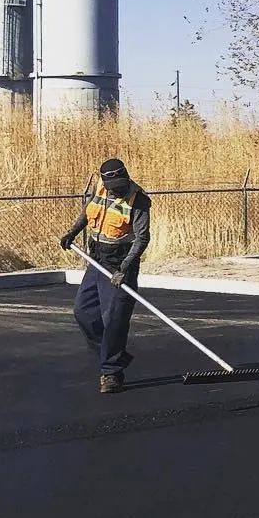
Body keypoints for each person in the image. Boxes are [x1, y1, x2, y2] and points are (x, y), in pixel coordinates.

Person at [60, 158, 151, 394]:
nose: (118, 189)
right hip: (97, 258)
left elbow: (142, 238)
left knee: (114, 318)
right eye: (114, 185)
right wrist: (72, 232)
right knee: (84, 312)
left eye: (122, 183)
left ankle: (111, 373)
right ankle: (111, 354)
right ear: (105, 181)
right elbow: (88, 212)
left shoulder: (137, 198)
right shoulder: (99, 188)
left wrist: (125, 267)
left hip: (120, 262)